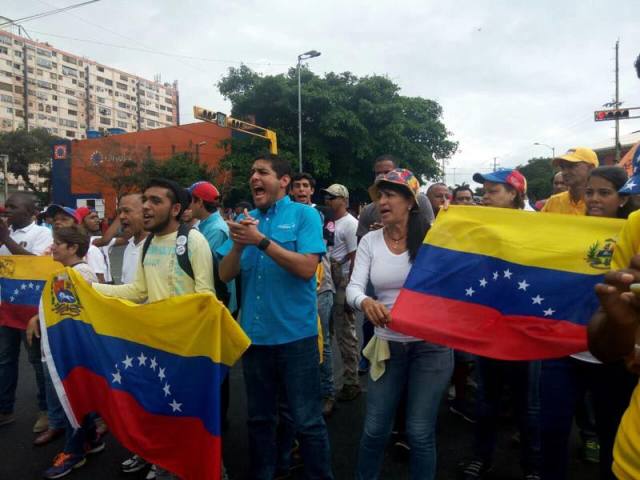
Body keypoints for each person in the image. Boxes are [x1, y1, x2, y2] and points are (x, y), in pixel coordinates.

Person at [218, 154, 333, 480]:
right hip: (255, 339)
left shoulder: (304, 216)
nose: (254, 177)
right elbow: (225, 274)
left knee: (307, 420)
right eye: (252, 172)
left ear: (283, 181)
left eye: (262, 172)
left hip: (296, 338)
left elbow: (307, 268)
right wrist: (240, 246)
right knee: (259, 420)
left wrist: (261, 241)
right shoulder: (247, 219)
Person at [93, 178, 215, 480]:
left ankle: (208, 470)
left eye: (155, 201)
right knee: (160, 413)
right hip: (156, 349)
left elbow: (206, 297)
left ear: (175, 208)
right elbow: (137, 291)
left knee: (190, 423)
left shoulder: (194, 241)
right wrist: (90, 289)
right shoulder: (148, 242)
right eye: (144, 200)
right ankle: (164, 465)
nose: (146, 206)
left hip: (187, 352)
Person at [347, 168, 453, 479]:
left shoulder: (435, 239)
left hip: (431, 349)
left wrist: (455, 226)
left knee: (420, 432)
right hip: (387, 347)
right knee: (374, 429)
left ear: (410, 201)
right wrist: (365, 302)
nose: (382, 201)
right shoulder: (369, 241)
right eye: (380, 195)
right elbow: (354, 288)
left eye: (390, 194)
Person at [541, 166, 639, 480]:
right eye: (590, 192)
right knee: (552, 430)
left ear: (623, 199)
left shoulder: (633, 233)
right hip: (564, 349)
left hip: (613, 357)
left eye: (604, 192)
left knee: (611, 433)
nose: (594, 199)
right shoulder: (563, 230)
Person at [459, 168, 541, 480]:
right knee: (486, 399)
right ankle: (482, 457)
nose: (485, 196)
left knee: (528, 404)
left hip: (524, 327)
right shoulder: (479, 226)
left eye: (494, 191)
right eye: (485, 190)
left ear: (514, 194)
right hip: (489, 323)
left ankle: (533, 465)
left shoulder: (537, 227)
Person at [26, 224, 105, 479]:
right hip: (68, 349)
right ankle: (91, 439)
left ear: (72, 247)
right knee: (75, 396)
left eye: (57, 243)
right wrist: (37, 318)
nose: (52, 247)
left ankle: (74, 451)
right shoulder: (66, 273)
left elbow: (77, 315)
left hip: (75, 352)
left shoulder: (81, 274)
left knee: (72, 397)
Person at [0, 192, 52, 433]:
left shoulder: (42, 234)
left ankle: (45, 410)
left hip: (31, 311)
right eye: (6, 206)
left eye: (12, 206)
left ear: (31, 212)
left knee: (36, 362)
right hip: (5, 308)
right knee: (5, 360)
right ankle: (5, 409)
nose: (6, 209)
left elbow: (38, 265)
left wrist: (6, 240)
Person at [290, 171, 336, 415]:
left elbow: (322, 244)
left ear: (311, 191)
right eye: (296, 185)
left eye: (305, 186)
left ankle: (327, 392)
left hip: (322, 287)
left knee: (324, 343)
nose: (300, 190)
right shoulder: (285, 213)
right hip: (295, 287)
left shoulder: (323, 213)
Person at [323, 183, 361, 402]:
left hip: (342, 281)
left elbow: (355, 256)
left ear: (344, 200)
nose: (328, 200)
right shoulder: (327, 221)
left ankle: (351, 380)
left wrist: (350, 288)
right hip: (327, 279)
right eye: (327, 197)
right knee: (326, 334)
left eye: (333, 197)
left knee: (345, 333)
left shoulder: (350, 224)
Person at [45, 205, 107, 284]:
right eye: (55, 220)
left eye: (64, 219)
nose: (57, 222)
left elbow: (98, 285)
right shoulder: (50, 249)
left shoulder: (91, 251)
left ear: (77, 224)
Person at [542, 147, 598, 215]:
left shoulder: (599, 203)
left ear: (591, 168)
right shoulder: (554, 201)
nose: (565, 172)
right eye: (562, 167)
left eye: (571, 166)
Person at [76, 207, 116, 284]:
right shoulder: (89, 241)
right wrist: (119, 218)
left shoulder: (98, 238)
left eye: (97, 217)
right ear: (82, 222)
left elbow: (125, 239)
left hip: (108, 281)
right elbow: (105, 240)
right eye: (92, 218)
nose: (97, 220)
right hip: (98, 283)